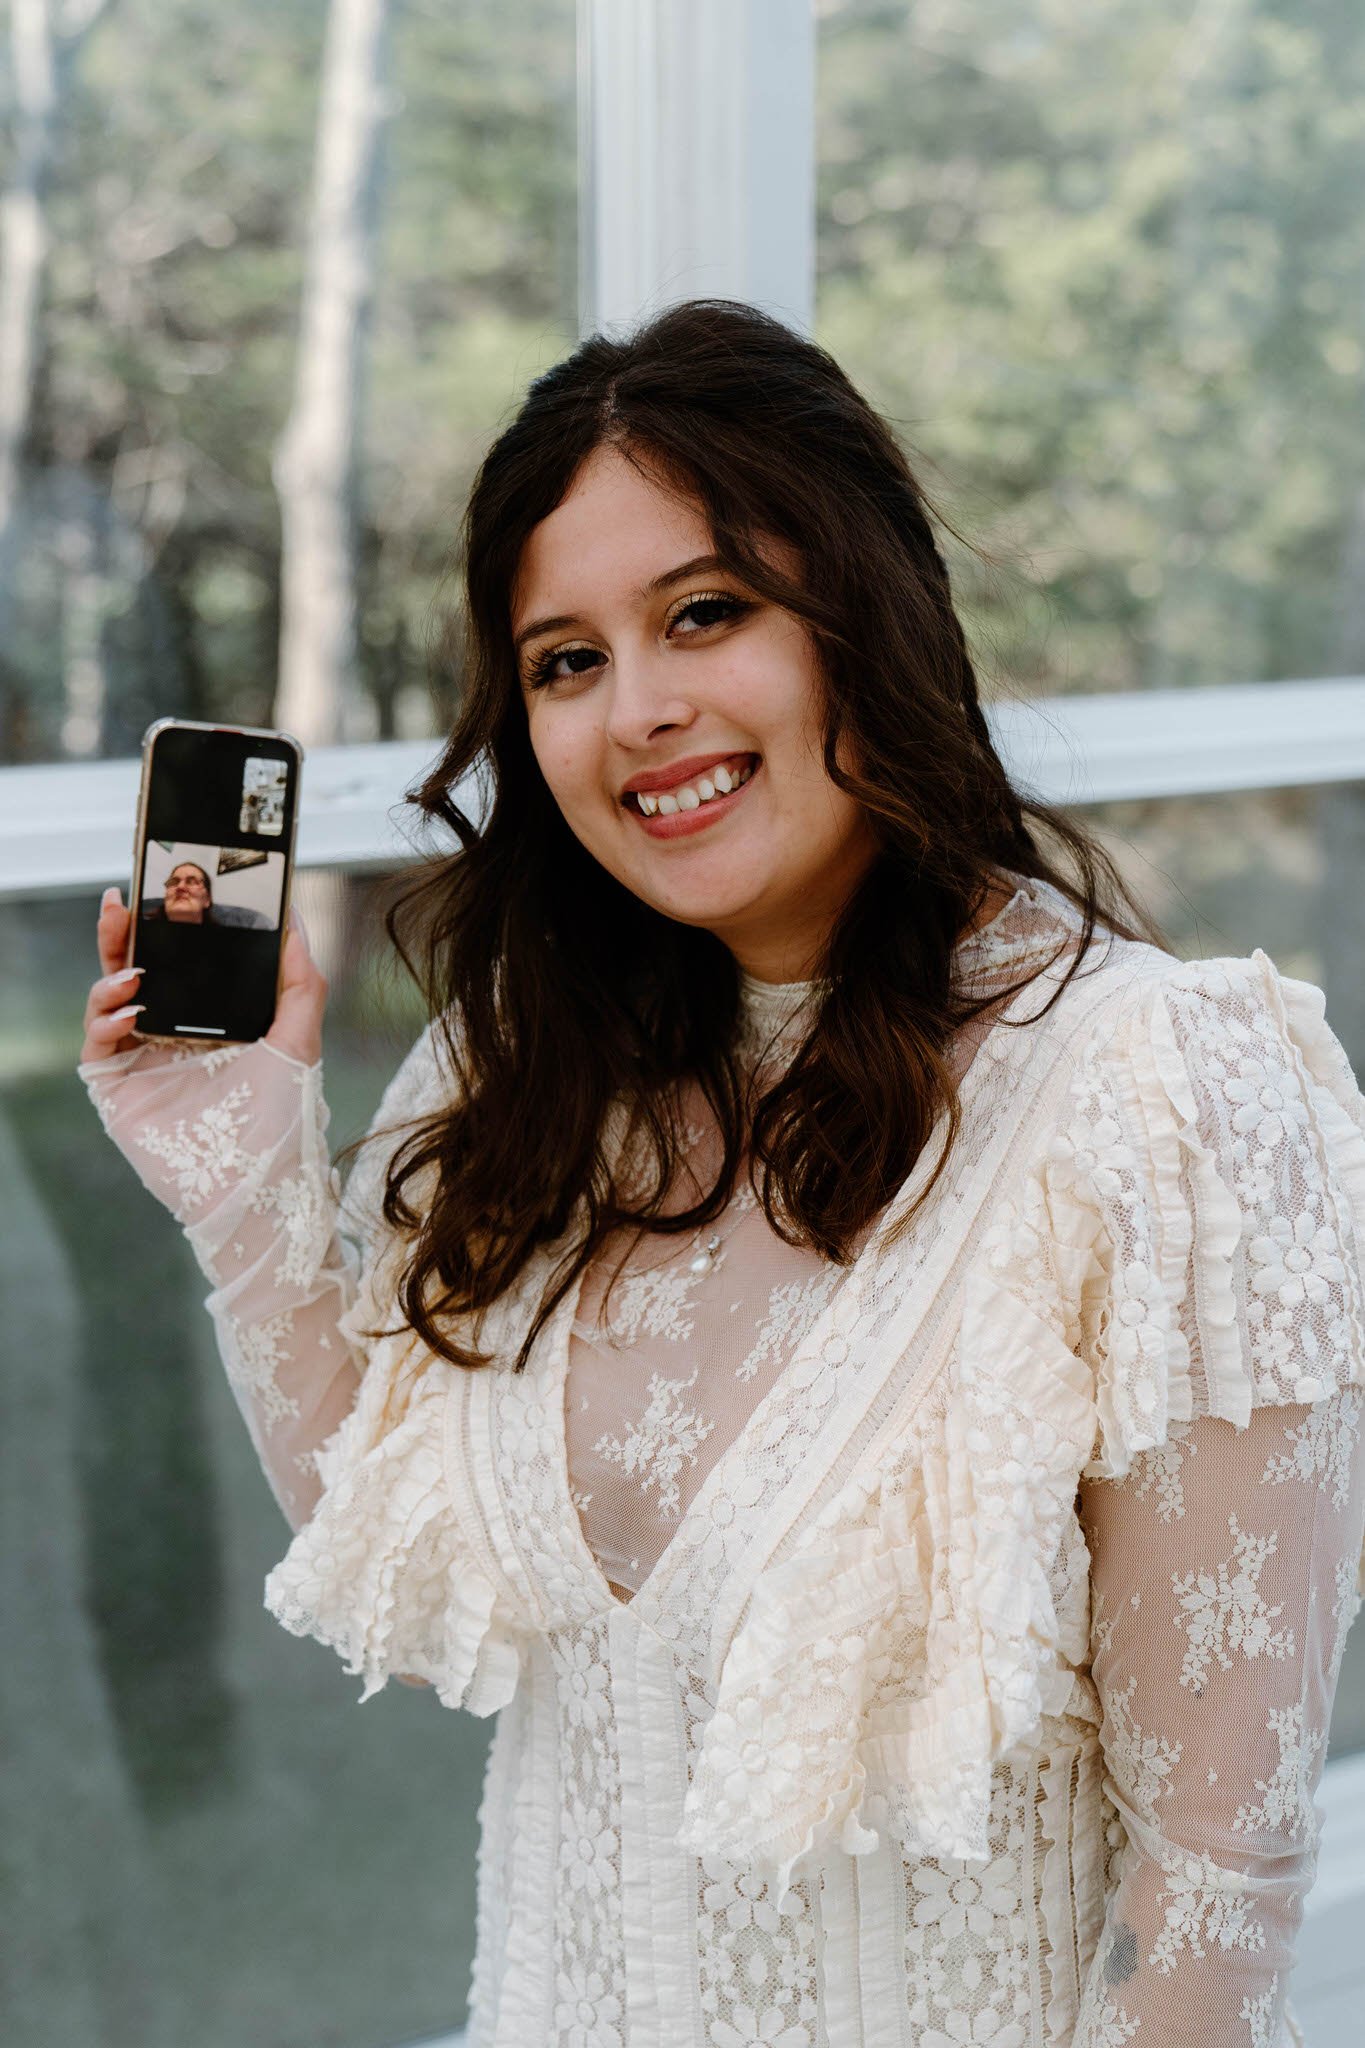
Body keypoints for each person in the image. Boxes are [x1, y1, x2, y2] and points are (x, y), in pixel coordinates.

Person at [78, 300, 1365, 2048]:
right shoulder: (531, 1061)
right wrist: (241, 1189)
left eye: (704, 613)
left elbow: (1211, 1893)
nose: (642, 713)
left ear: (862, 611)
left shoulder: (1163, 1092)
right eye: (563, 660)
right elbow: (401, 1536)